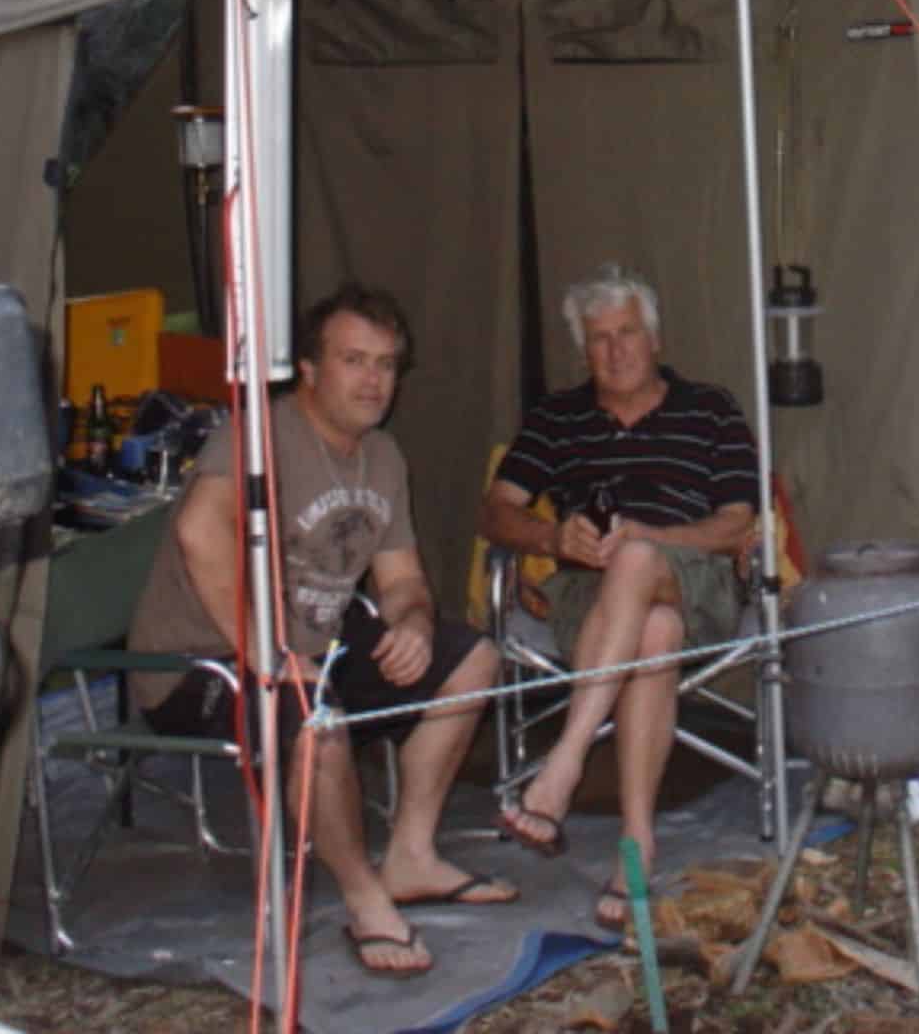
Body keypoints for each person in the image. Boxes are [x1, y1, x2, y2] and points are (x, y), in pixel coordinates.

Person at [127, 283, 512, 980]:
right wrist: (265, 652)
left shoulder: (383, 456)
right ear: (308, 368)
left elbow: (403, 581)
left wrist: (414, 624)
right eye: (353, 360)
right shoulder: (258, 436)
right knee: (317, 719)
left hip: (312, 649)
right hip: (200, 662)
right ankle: (364, 897)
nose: (373, 381)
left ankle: (411, 856)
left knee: (473, 658)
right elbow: (198, 532)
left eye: (386, 364)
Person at [478, 264, 757, 930]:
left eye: (627, 332)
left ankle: (563, 766)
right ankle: (637, 844)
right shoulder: (557, 418)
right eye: (599, 338)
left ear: (654, 338)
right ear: (584, 349)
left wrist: (651, 539)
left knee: (636, 561)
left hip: (699, 581)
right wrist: (553, 537)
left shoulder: (710, 409)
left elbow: (736, 523)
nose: (616, 350)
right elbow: (495, 512)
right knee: (654, 629)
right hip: (589, 592)